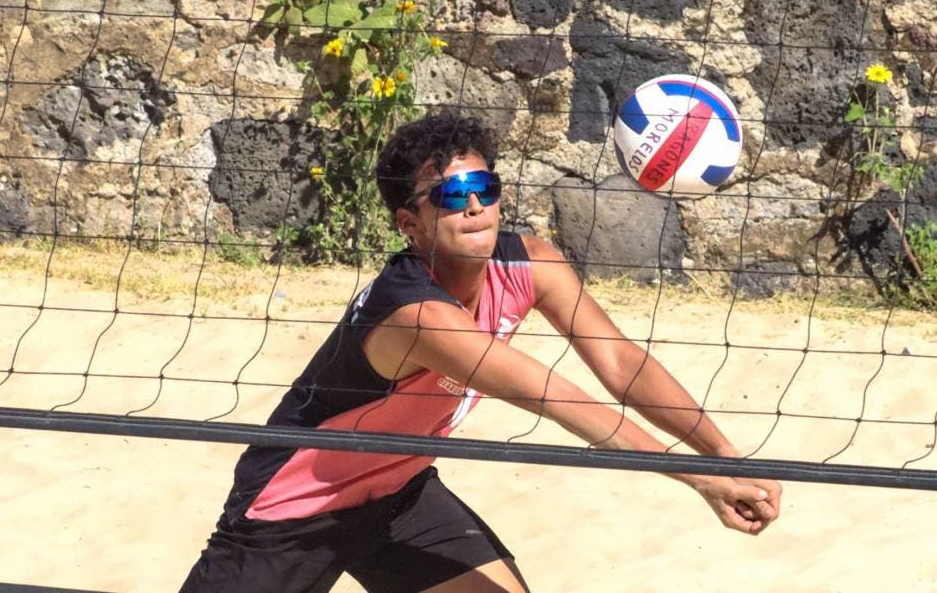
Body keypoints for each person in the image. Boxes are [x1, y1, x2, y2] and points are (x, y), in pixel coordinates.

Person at [181, 112, 782, 592]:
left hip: (399, 489)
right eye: (449, 195)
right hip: (293, 508)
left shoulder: (532, 262)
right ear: (409, 223)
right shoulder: (417, 314)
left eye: (484, 187)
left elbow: (621, 364)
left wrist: (726, 454)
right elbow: (562, 400)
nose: (473, 206)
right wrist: (703, 481)